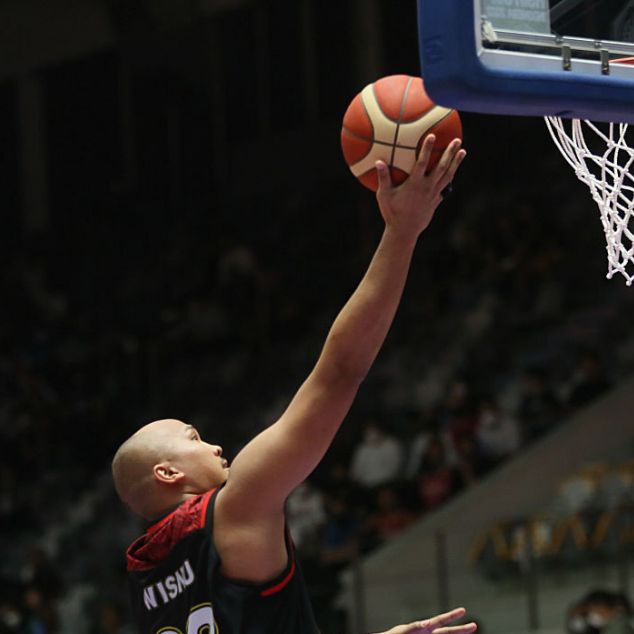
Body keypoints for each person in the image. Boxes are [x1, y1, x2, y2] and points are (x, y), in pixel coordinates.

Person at [110, 135, 473, 634]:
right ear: (169, 474)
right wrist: (403, 232)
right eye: (193, 438)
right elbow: (341, 371)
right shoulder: (238, 503)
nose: (216, 445)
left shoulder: (144, 578)